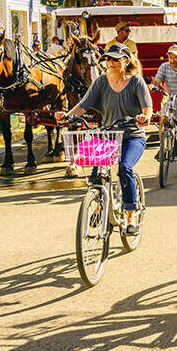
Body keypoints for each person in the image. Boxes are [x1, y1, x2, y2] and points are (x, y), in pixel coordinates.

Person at [57, 44, 152, 235]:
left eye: (115, 59)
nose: (110, 62)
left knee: (125, 168)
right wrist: (66, 116)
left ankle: (130, 216)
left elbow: (147, 107)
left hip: (132, 135)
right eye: (108, 59)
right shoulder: (101, 81)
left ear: (126, 61)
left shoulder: (136, 82)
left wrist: (144, 117)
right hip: (107, 134)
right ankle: (100, 205)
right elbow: (83, 105)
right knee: (96, 174)